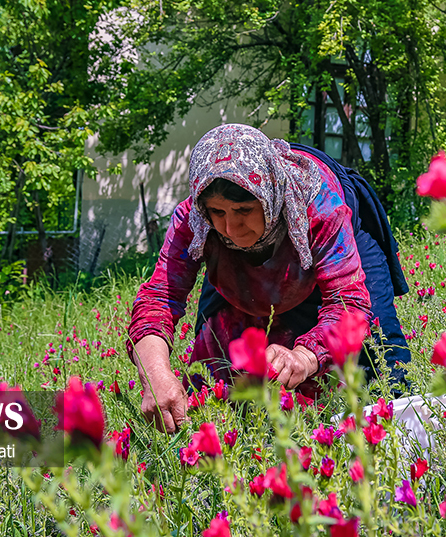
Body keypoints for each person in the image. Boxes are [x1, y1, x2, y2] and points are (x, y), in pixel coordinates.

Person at [127, 123, 411, 432]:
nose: (232, 229)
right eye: (218, 212)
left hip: (327, 244)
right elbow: (159, 299)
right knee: (217, 360)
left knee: (378, 357)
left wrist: (304, 357)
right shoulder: (196, 221)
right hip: (237, 263)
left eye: (243, 210)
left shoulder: (322, 207)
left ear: (267, 198)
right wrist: (155, 376)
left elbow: (349, 304)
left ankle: (391, 440)